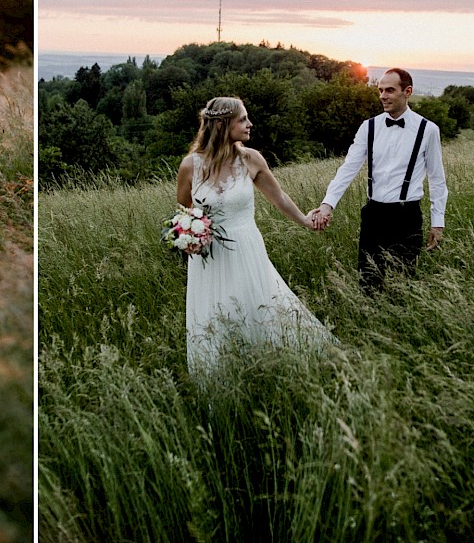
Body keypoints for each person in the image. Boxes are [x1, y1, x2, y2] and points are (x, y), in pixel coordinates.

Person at [176, 97, 335, 373]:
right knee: (215, 312)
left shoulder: (250, 159)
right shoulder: (190, 165)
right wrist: (188, 235)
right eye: (242, 120)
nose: (249, 124)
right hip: (208, 258)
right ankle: (222, 375)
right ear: (223, 125)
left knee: (257, 305)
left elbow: (279, 198)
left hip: (246, 247)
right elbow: (183, 208)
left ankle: (271, 367)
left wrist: (305, 221)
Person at [312, 67, 447, 292]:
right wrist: (327, 205)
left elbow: (437, 179)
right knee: (368, 283)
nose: (383, 96)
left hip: (407, 216)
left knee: (403, 286)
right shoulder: (369, 127)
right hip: (373, 215)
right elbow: (348, 168)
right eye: (380, 90)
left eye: (390, 90)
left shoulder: (428, 130)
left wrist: (438, 222)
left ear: (408, 91)